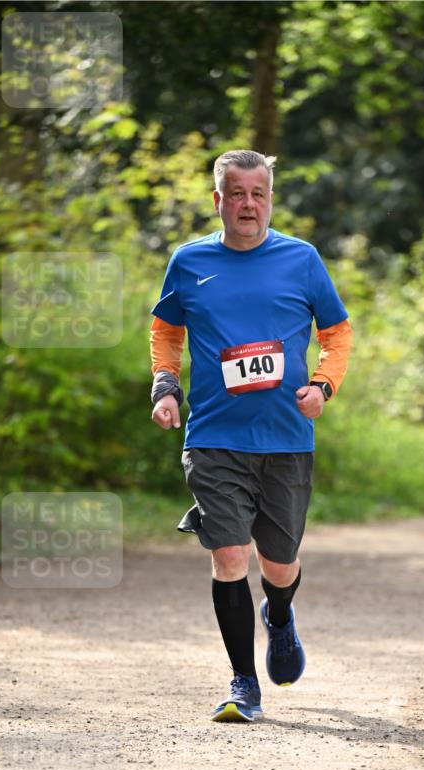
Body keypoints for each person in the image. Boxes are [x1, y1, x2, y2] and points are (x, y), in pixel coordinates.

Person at [149, 149, 352, 722]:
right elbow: (165, 330)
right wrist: (165, 387)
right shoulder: (189, 262)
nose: (247, 204)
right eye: (236, 194)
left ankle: (281, 616)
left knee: (278, 562)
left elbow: (337, 333)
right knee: (229, 554)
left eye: (257, 194)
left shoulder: (301, 259)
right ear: (218, 201)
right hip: (214, 437)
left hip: (287, 437)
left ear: (269, 198)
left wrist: (323, 386)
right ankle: (243, 684)